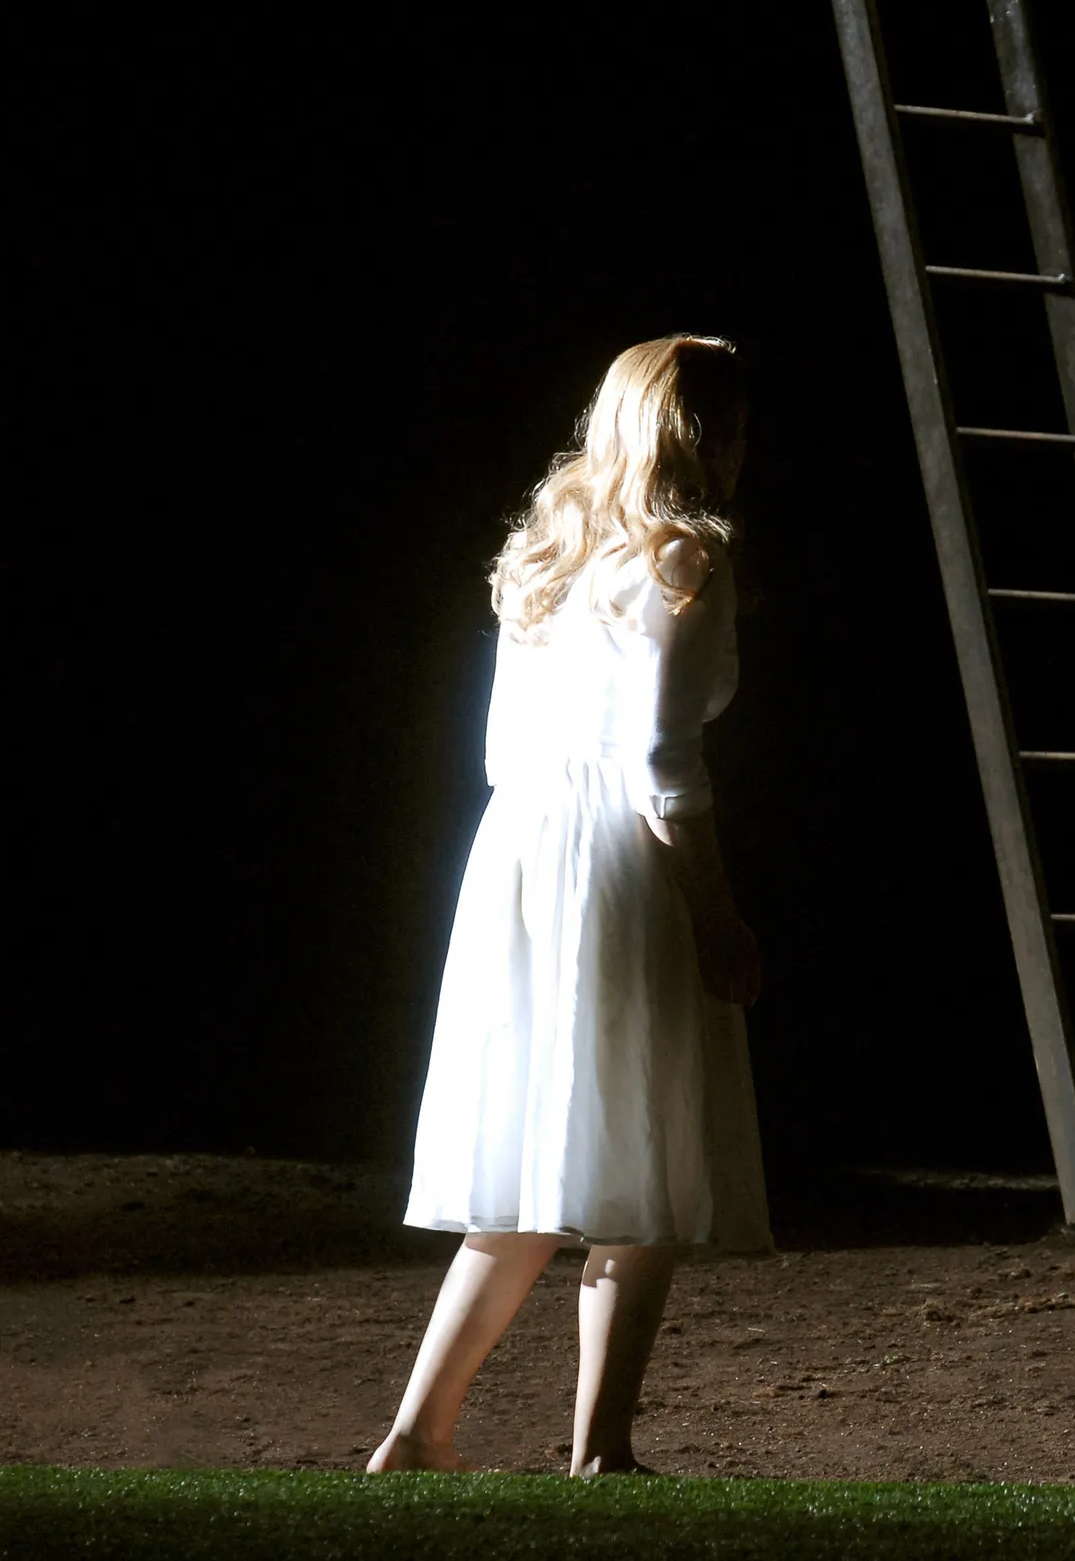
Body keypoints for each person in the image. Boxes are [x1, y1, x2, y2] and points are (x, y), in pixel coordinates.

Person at [370, 334, 774, 1476]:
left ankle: (419, 1428)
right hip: (613, 857)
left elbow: (506, 745)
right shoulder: (684, 556)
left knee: (539, 1153)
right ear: (697, 436)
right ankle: (600, 1446)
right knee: (639, 1157)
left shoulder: (551, 548)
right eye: (730, 427)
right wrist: (715, 911)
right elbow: (663, 761)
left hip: (522, 849)